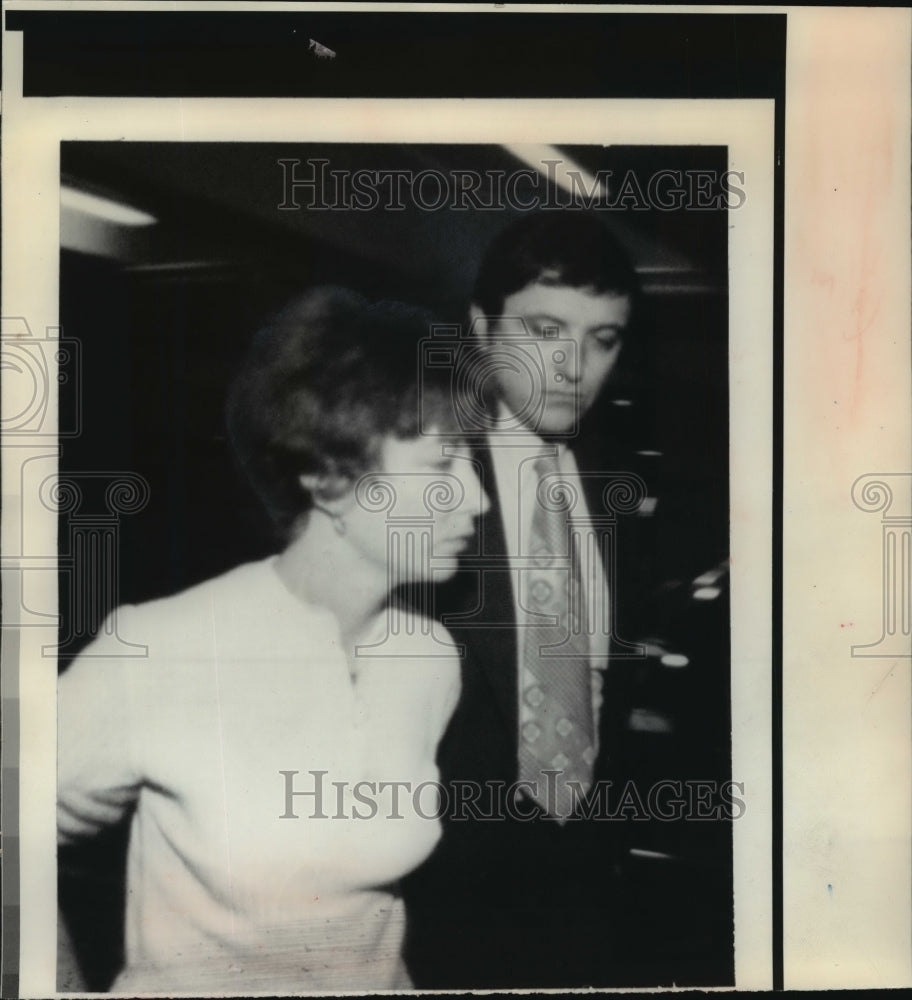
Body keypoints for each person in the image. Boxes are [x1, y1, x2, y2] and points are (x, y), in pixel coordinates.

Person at [56, 287, 487, 992]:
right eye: (444, 465)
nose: (476, 498)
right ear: (326, 475)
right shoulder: (163, 648)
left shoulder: (428, 659)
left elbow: (368, 918)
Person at [401, 211, 662, 989]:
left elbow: (604, 690)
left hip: (581, 895)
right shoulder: (418, 480)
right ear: (482, 329)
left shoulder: (623, 489)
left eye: (604, 339)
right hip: (432, 903)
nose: (574, 365)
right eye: (546, 329)